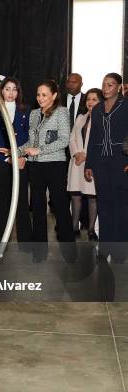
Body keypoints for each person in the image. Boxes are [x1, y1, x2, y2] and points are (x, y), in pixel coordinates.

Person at [17, 80, 74, 243]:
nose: (40, 98)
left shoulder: (61, 112)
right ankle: (39, 249)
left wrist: (40, 150)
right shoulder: (34, 114)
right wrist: (16, 151)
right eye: (38, 95)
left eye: (44, 95)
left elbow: (64, 140)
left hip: (55, 165)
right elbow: (31, 143)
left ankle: (69, 250)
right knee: (37, 206)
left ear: (54, 95)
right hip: (35, 166)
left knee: (60, 206)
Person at [85, 73, 128, 259]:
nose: (106, 88)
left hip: (121, 161)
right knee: (104, 205)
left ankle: (119, 250)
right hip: (101, 162)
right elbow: (93, 138)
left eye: (110, 85)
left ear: (119, 87)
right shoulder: (98, 109)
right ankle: (105, 246)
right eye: (104, 84)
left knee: (121, 206)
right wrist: (89, 164)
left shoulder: (126, 106)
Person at [0, 77, 32, 243]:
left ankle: (25, 241)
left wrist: (21, 156)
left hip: (20, 161)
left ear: (18, 92)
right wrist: (8, 158)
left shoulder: (26, 111)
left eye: (14, 89)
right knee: (2, 201)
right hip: (1, 163)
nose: (11, 93)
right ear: (1, 91)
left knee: (21, 202)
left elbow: (29, 136)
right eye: (7, 89)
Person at [67, 88, 102, 241]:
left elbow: (101, 143)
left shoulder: (104, 119)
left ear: (101, 101)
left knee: (93, 197)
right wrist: (76, 153)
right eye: (88, 99)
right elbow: (71, 138)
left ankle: (91, 230)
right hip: (77, 162)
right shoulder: (80, 117)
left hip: (92, 163)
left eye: (94, 99)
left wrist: (87, 155)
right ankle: (74, 227)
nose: (90, 102)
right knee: (76, 196)